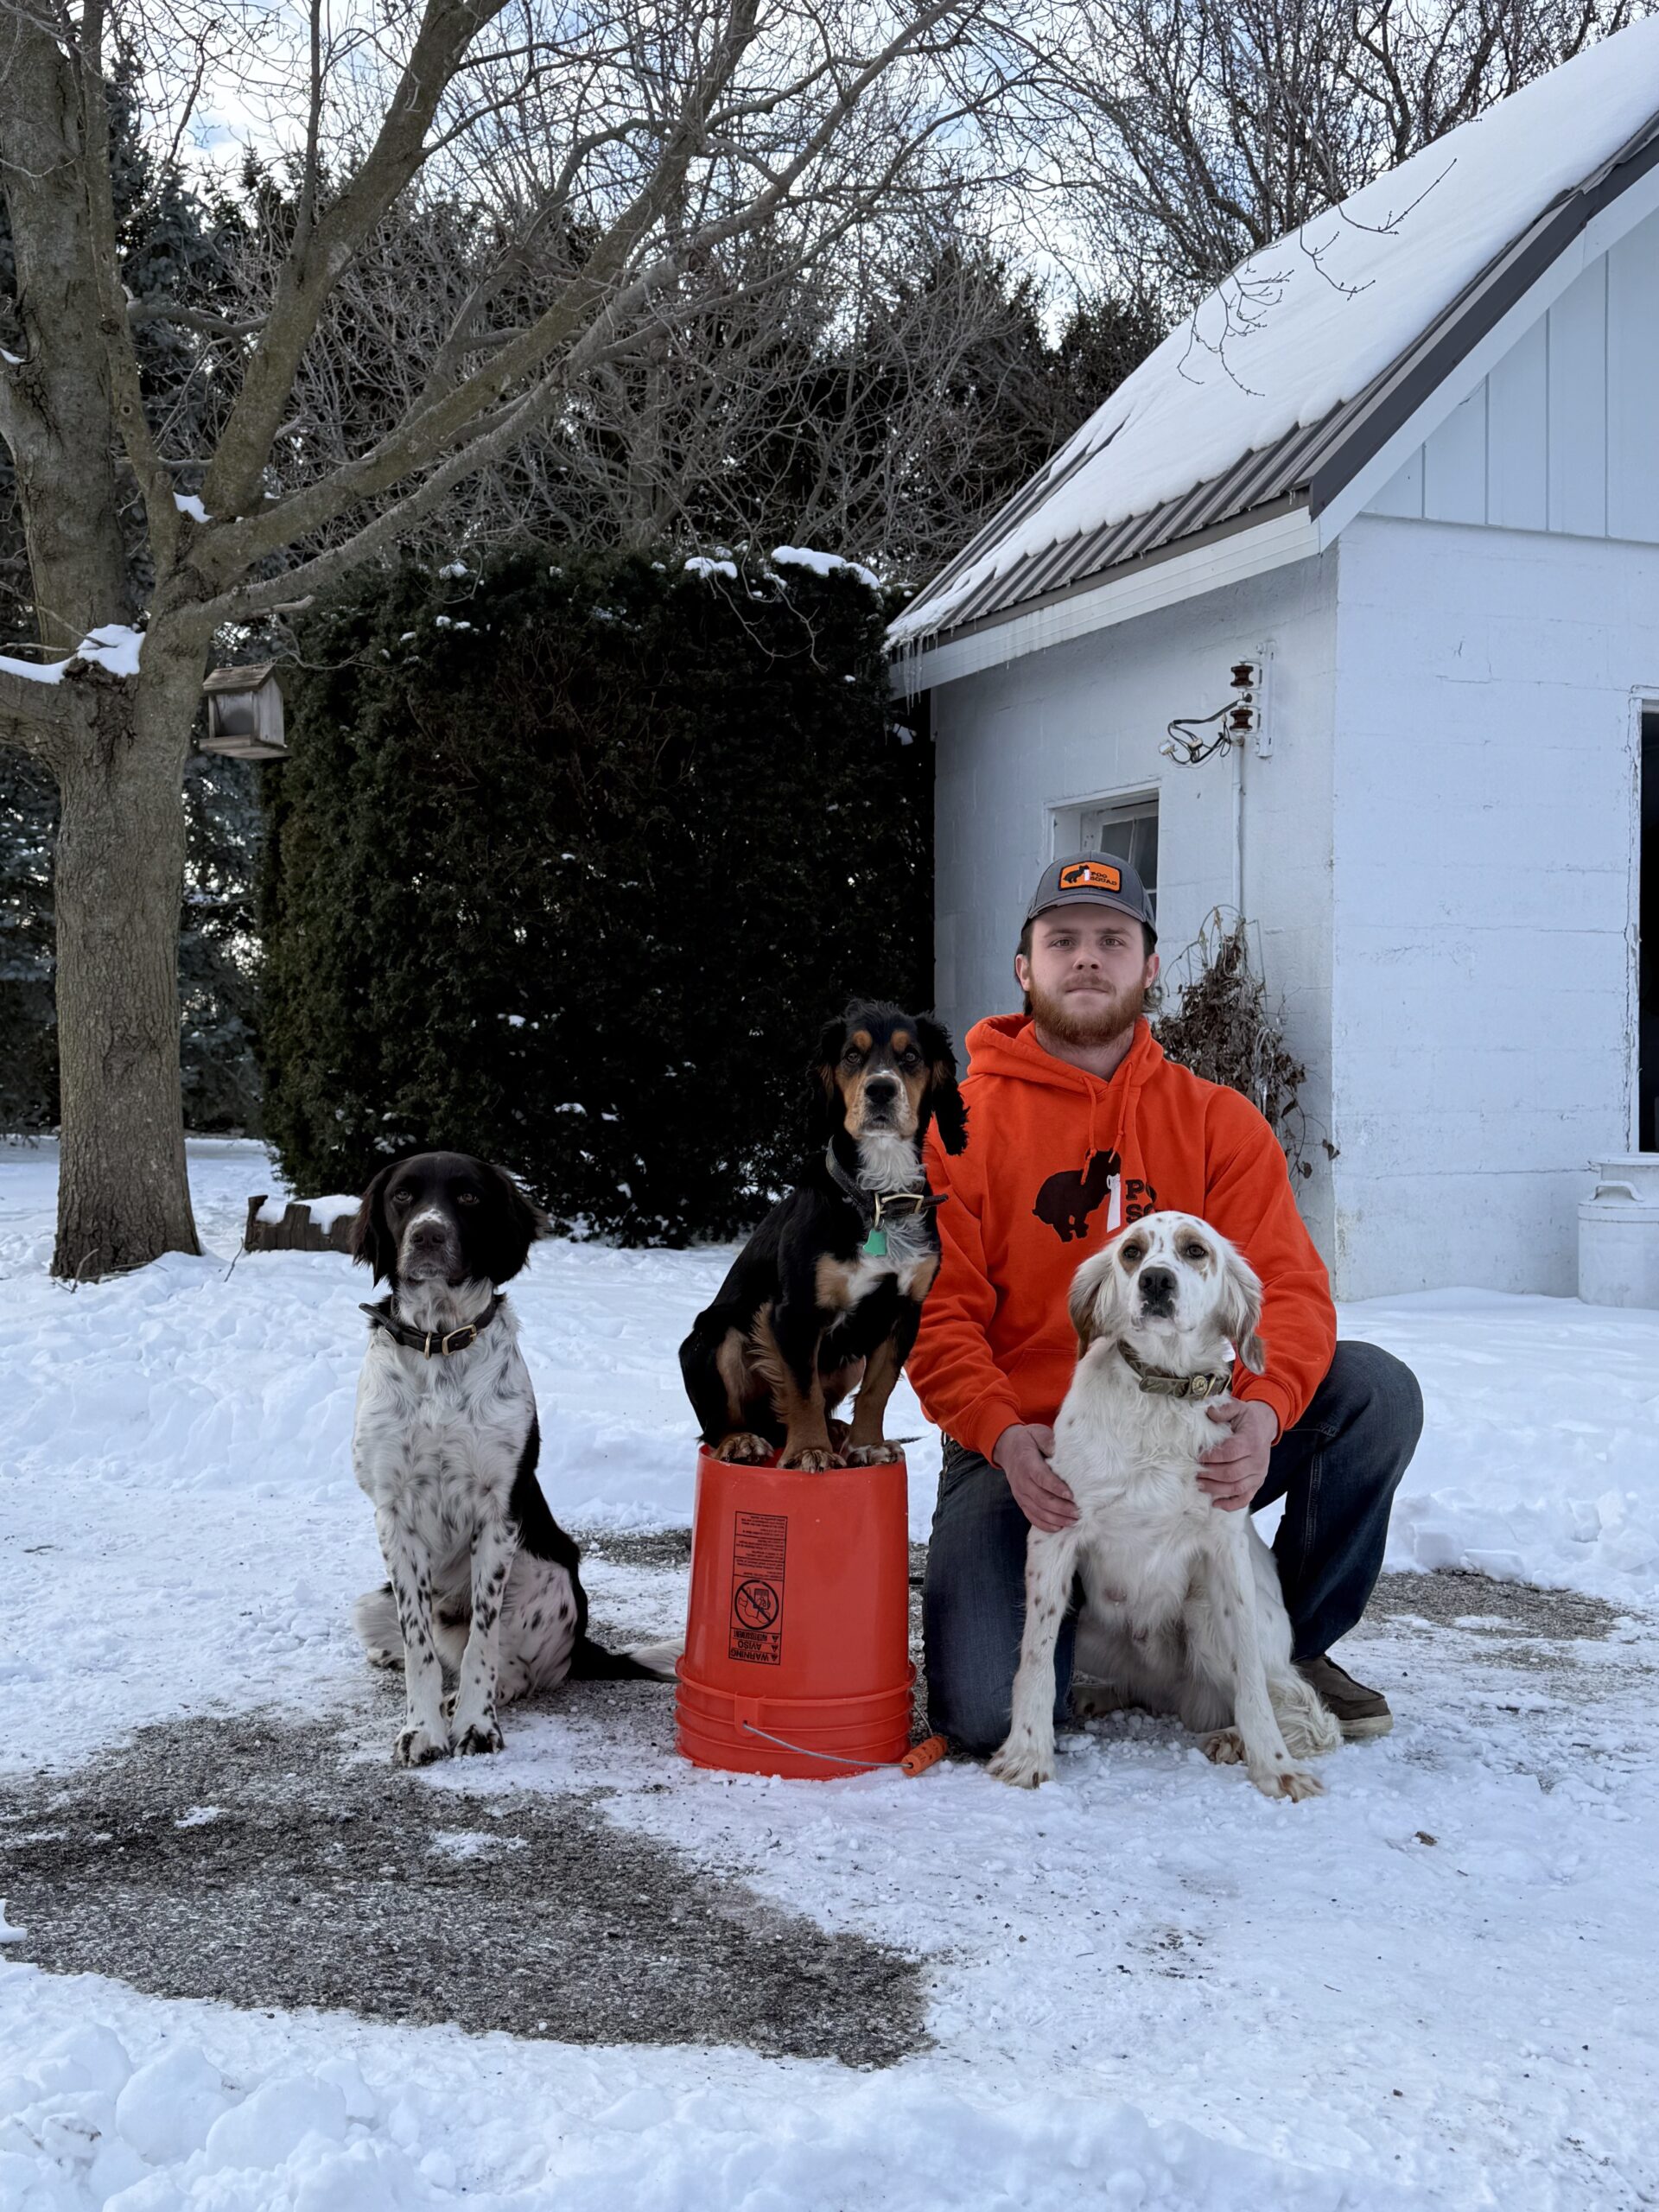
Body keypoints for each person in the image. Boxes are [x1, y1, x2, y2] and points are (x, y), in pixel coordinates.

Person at [909, 853, 1423, 1755]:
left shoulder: (1219, 1121)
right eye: (1060, 939)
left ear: (1151, 968)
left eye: (1114, 939)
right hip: (1034, 1450)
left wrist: (1262, 1416)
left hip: (1190, 1423)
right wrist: (995, 1432)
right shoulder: (962, 1123)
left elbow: (1291, 1292)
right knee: (985, 1714)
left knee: (1373, 1394)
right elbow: (934, 1311)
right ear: (1024, 968)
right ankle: (1092, 1645)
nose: (1087, 959)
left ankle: (1276, 1652)